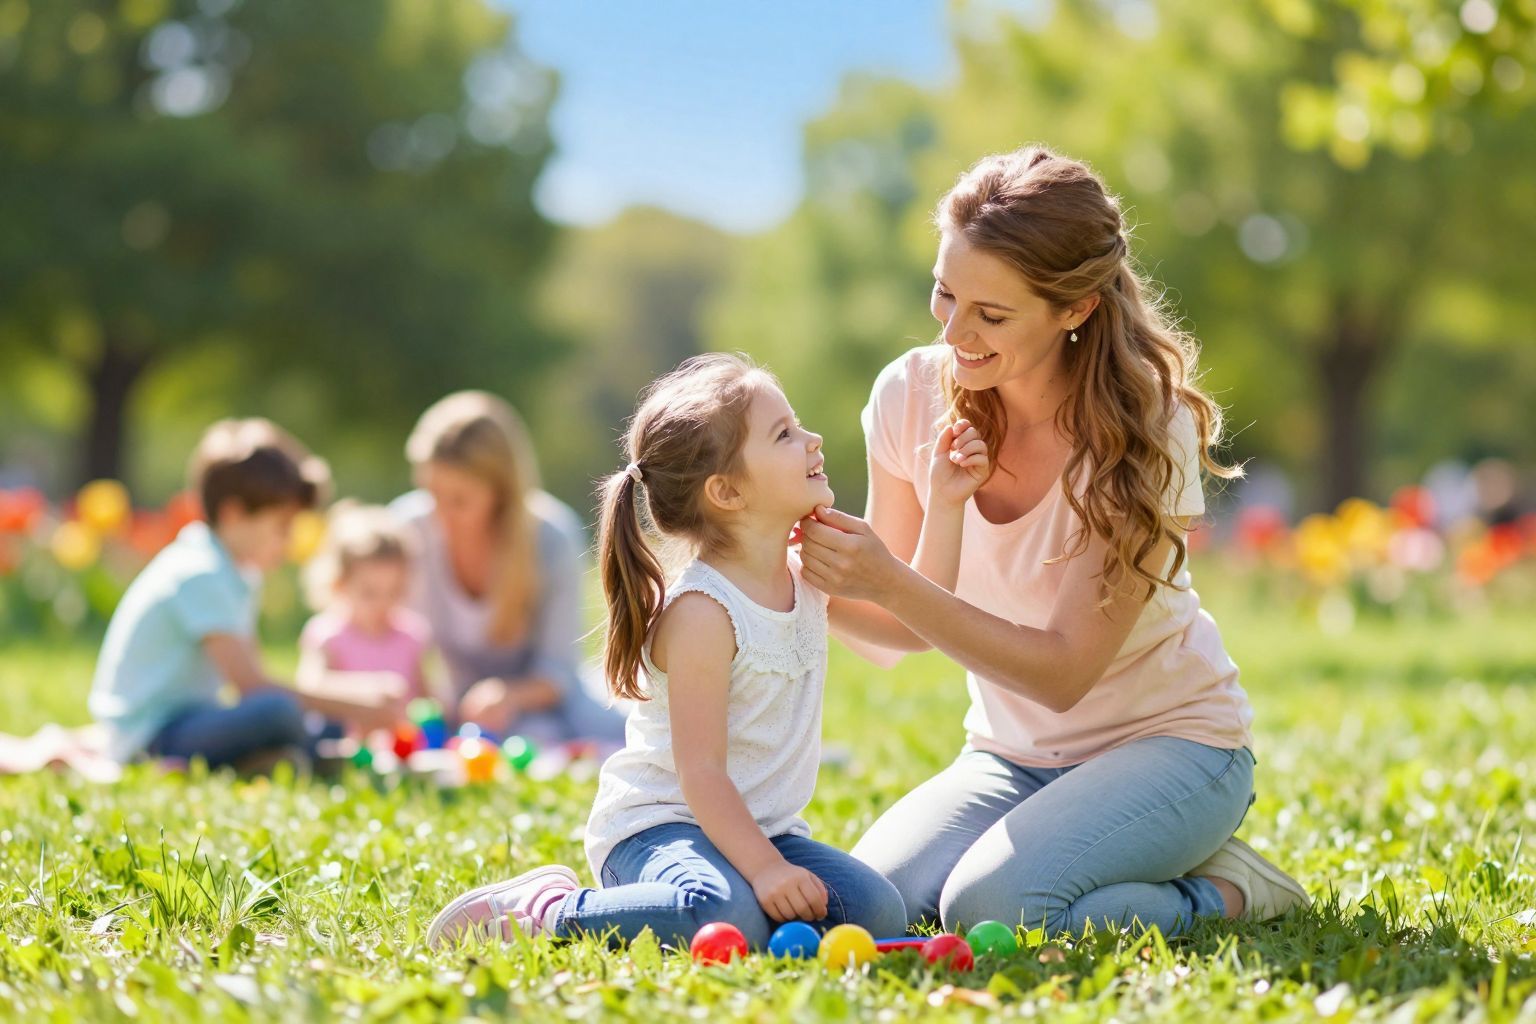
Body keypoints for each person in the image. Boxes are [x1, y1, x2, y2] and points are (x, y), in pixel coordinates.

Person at [796, 146, 1309, 937]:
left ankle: (1227, 891)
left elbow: (1065, 671)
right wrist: (807, 577)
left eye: (991, 315)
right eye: (944, 293)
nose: (955, 333)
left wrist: (887, 580)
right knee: (869, 906)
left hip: (1173, 748)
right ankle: (1088, 848)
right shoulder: (906, 395)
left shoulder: (1145, 428)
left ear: (1075, 310)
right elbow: (900, 633)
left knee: (991, 908)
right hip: (1009, 758)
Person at [425, 355, 907, 949]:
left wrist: (951, 502)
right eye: (784, 434)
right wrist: (766, 871)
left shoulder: (805, 575)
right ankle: (546, 909)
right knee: (719, 917)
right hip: (658, 829)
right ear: (726, 492)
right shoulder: (704, 613)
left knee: (880, 910)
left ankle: (748, 901)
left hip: (761, 832)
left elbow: (906, 626)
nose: (812, 440)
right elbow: (700, 773)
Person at [89, 419, 405, 770]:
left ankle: (284, 757)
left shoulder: (236, 572)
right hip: (151, 736)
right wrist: (353, 701)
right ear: (234, 514)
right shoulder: (201, 573)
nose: (287, 542)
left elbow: (252, 675)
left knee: (319, 720)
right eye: (281, 527)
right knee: (277, 712)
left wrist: (342, 704)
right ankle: (286, 757)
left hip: (193, 720)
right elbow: (251, 685)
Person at [392, 392, 623, 745]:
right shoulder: (406, 529)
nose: (440, 515)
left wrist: (507, 696)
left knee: (609, 733)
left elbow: (558, 670)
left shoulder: (552, 539)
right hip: (453, 707)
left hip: (544, 705)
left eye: (460, 501)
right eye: (431, 493)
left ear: (500, 493)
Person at [298, 502, 431, 707]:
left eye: (394, 591)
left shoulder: (409, 636)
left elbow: (427, 699)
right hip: (342, 736)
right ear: (339, 584)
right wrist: (366, 690)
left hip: (400, 737)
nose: (383, 603)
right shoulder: (328, 635)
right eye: (370, 593)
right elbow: (310, 686)